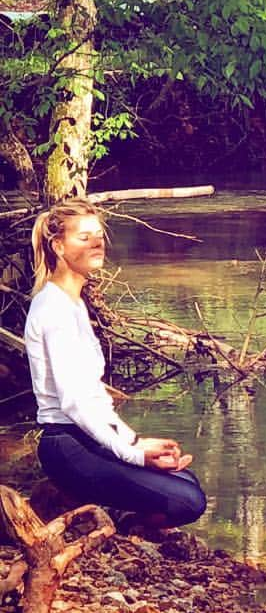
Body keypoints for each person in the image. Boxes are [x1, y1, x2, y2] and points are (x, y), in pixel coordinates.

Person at [23, 198, 206, 533]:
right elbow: (75, 404)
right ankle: (120, 528)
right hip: (67, 447)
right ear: (59, 246)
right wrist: (133, 456)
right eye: (84, 237)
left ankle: (113, 518)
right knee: (188, 501)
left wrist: (136, 442)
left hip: (86, 439)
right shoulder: (54, 310)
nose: (96, 242)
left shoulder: (73, 303)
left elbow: (93, 397)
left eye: (98, 235)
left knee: (185, 478)